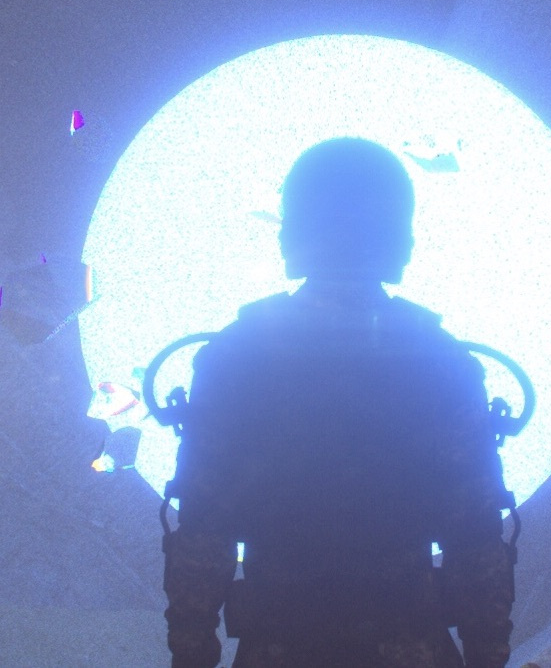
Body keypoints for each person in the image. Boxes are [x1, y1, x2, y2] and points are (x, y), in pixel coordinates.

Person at [163, 137, 516, 668]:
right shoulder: (439, 358)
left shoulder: (239, 355)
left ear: (294, 230)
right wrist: (488, 654)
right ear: (397, 235)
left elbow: (202, 534)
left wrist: (191, 654)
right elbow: (476, 538)